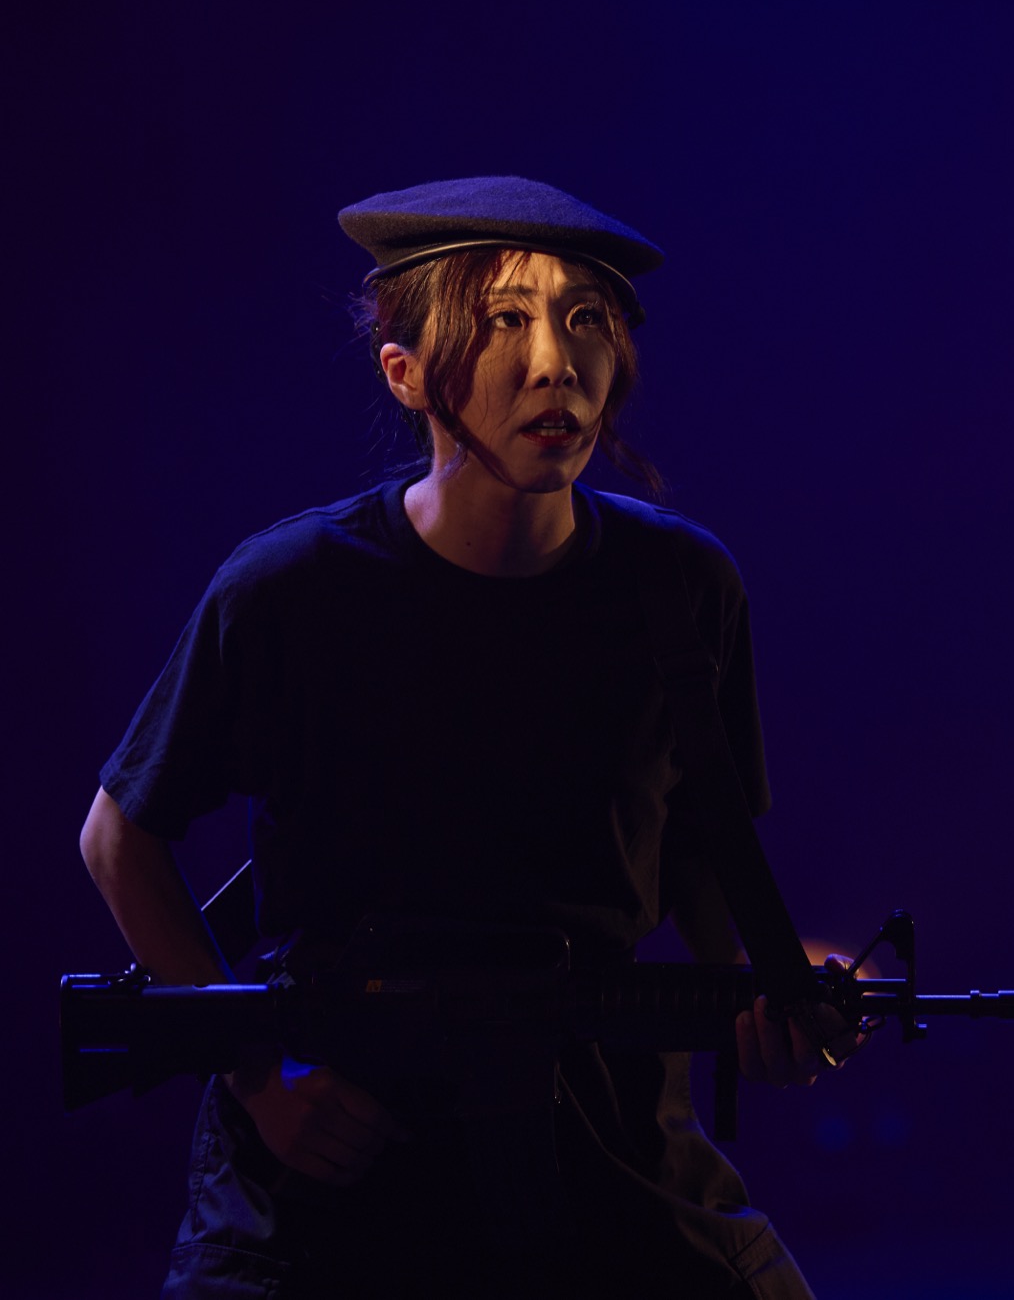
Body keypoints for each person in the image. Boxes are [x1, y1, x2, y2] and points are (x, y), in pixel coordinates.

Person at [80, 176, 857, 1298]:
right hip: (340, 1133)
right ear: (404, 373)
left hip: (594, 1120)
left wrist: (763, 997)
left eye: (585, 318)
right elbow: (118, 837)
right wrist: (257, 1073)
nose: (555, 363)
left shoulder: (681, 586)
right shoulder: (292, 588)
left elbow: (699, 849)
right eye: (502, 320)